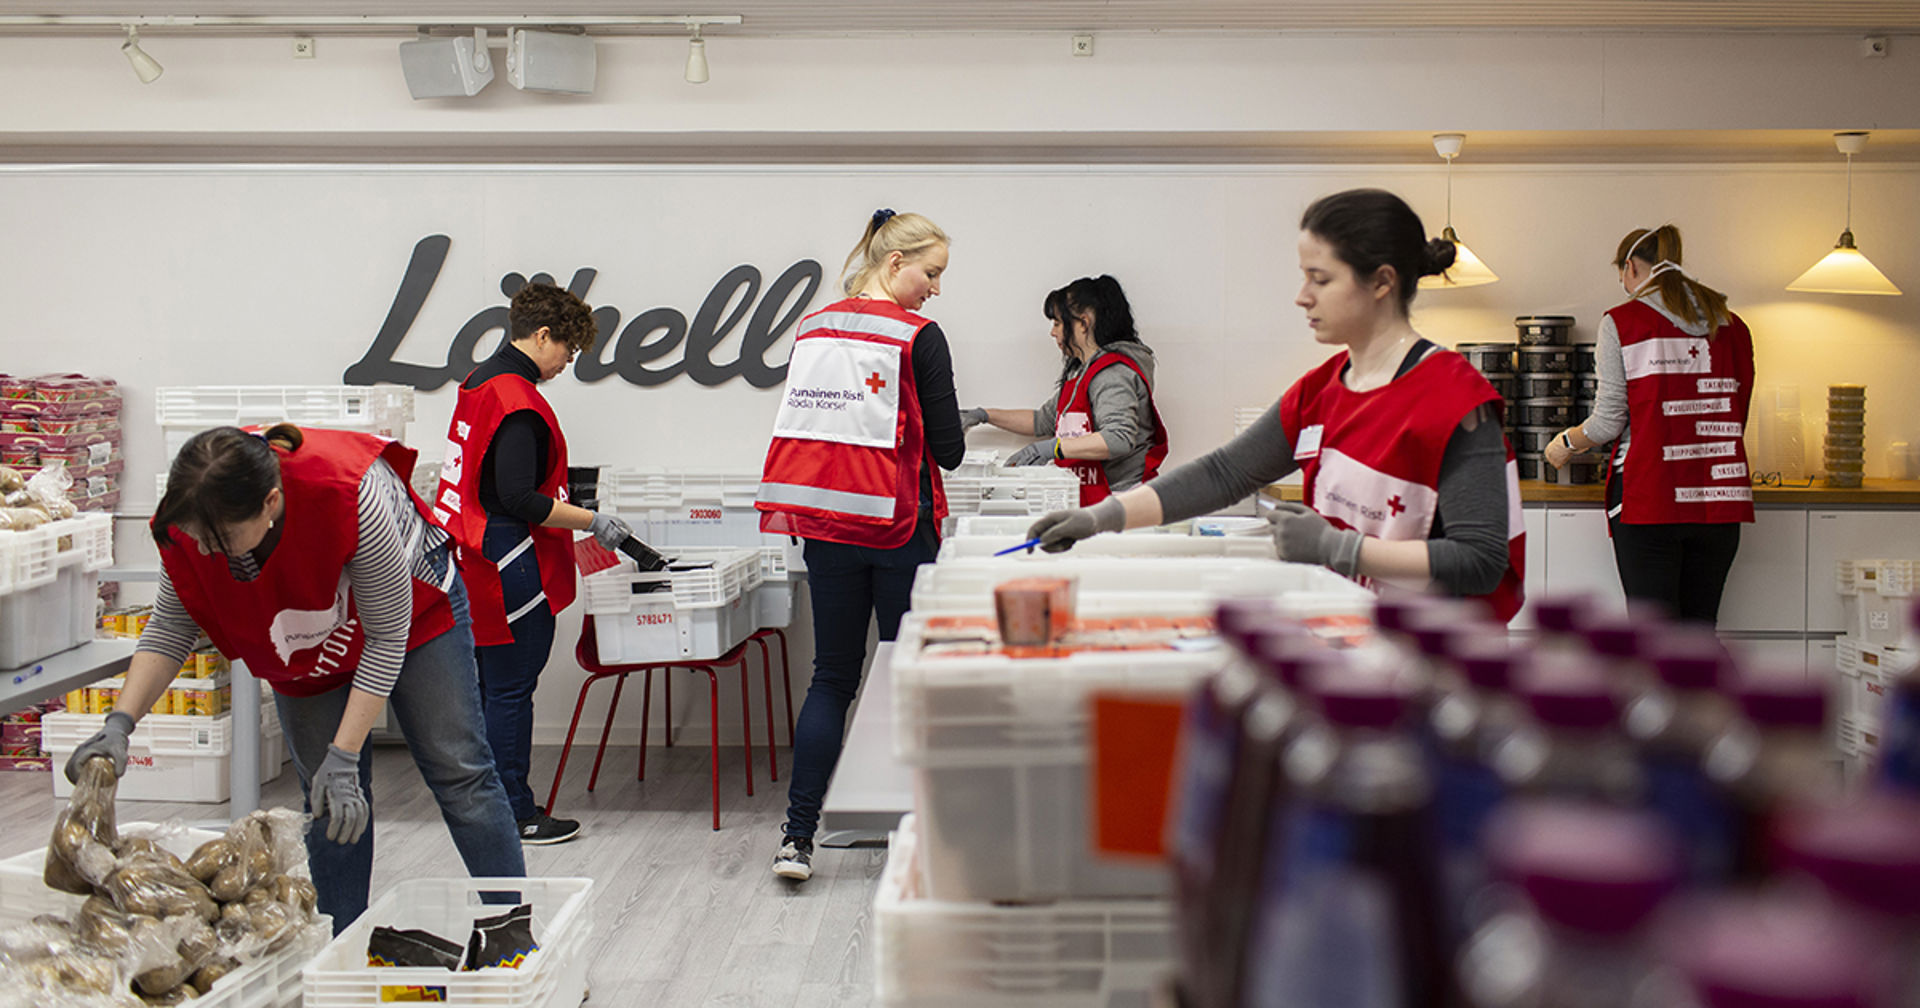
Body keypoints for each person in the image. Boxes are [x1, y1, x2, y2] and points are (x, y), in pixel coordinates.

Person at [64, 424, 525, 932]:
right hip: (307, 638)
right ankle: (341, 950)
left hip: (413, 619)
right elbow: (171, 627)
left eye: (222, 540)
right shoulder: (188, 520)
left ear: (271, 502)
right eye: (198, 537)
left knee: (460, 771)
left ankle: (515, 929)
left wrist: (346, 754)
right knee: (329, 801)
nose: (208, 550)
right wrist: (119, 725)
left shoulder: (349, 493)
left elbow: (387, 635)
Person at [1029, 188, 1525, 621]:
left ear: (1381, 282)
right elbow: (1225, 473)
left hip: (1435, 662)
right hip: (1353, 635)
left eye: (1320, 279)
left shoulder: (1455, 401)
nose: (1301, 297)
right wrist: (1102, 519)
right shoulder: (1322, 391)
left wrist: (1340, 549)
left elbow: (1481, 562)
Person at [756, 209, 965, 881]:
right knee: (913, 678)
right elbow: (951, 452)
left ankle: (797, 838)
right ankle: (929, 843)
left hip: (827, 526)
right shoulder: (918, 337)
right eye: (931, 274)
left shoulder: (813, 327)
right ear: (896, 263)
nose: (934, 289)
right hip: (901, 526)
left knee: (832, 676)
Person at [435, 282, 633, 845]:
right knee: (511, 688)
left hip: (471, 551)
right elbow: (519, 497)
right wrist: (591, 521)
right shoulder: (516, 399)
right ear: (542, 335)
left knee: (487, 685)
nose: (567, 363)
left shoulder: (476, 383)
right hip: (509, 556)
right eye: (567, 350)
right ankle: (515, 812)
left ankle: (488, 805)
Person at [1543, 225, 1754, 624]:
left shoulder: (1623, 322)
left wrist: (1565, 443)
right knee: (1697, 634)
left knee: (1654, 641)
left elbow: (1608, 421)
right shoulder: (1733, 326)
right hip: (1718, 500)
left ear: (1630, 268)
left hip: (1651, 498)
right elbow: (1737, 412)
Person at [963, 275, 1169, 504]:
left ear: (1083, 323)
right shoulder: (1080, 373)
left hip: (1121, 499)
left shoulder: (1113, 373)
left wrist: (1054, 448)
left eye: (1058, 323)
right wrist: (983, 415)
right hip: (1091, 497)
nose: (1053, 332)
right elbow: (1042, 420)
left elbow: (1118, 438)